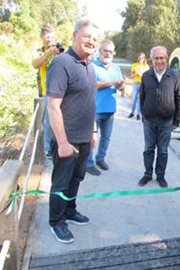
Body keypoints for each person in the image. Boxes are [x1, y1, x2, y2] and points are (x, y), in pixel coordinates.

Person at [46, 19, 99, 244]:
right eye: (87, 36)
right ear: (75, 36)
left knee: (76, 179)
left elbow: (90, 102)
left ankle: (70, 210)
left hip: (85, 139)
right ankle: (56, 221)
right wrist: (63, 142)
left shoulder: (90, 66)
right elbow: (53, 105)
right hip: (67, 141)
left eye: (94, 38)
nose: (91, 41)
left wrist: (94, 132)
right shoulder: (61, 63)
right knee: (60, 183)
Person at [138, 46, 180, 188]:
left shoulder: (174, 75)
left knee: (163, 150)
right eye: (156, 58)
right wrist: (144, 115)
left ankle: (160, 175)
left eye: (162, 57)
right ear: (152, 59)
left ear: (166, 58)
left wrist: (176, 120)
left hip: (166, 122)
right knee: (148, 149)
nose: (159, 61)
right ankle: (147, 174)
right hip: (149, 121)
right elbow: (142, 97)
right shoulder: (146, 76)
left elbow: (179, 98)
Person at [86, 39, 125, 176]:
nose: (107, 54)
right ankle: (88, 163)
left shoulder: (116, 68)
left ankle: (100, 158)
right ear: (100, 51)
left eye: (110, 51)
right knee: (91, 138)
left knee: (106, 137)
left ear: (113, 53)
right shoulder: (92, 66)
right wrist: (110, 83)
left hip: (110, 109)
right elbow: (91, 85)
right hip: (95, 109)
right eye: (105, 51)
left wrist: (121, 86)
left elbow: (123, 87)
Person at [32, 25, 60, 158]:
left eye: (52, 37)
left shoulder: (58, 50)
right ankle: (48, 148)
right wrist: (49, 52)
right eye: (47, 37)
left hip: (60, 91)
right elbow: (35, 64)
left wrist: (58, 52)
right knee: (48, 122)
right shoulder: (39, 51)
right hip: (47, 91)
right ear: (42, 38)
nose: (50, 40)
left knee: (60, 119)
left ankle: (58, 143)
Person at [128, 52, 149, 120]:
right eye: (140, 58)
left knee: (140, 99)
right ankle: (132, 112)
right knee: (134, 98)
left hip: (143, 84)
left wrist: (141, 74)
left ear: (144, 59)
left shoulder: (146, 67)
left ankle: (138, 114)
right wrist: (136, 74)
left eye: (142, 58)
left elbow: (147, 77)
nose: (141, 59)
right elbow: (131, 76)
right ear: (138, 58)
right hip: (136, 83)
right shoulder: (134, 65)